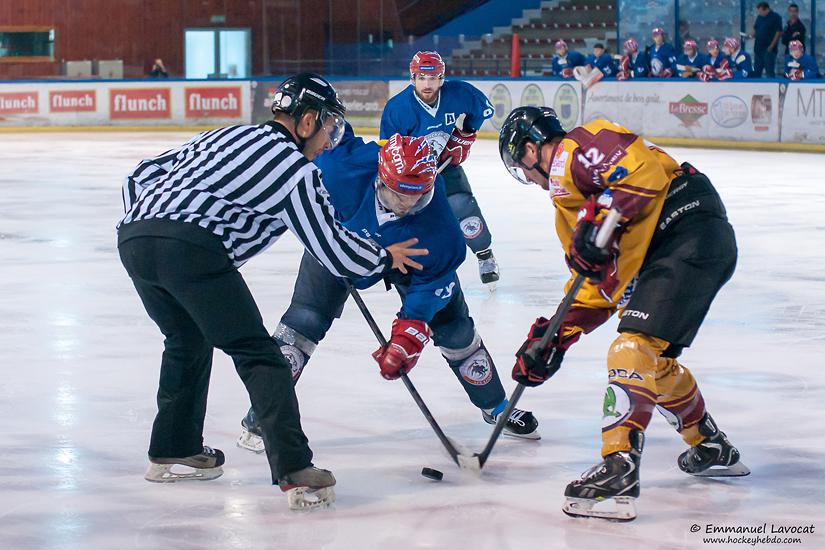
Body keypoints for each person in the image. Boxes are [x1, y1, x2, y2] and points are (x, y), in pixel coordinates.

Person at [117, 73, 426, 510]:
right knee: (260, 355)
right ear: (306, 122)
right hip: (191, 248)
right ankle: (296, 469)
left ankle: (174, 446)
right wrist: (381, 257)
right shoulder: (295, 171)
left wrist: (150, 221)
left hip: (134, 238)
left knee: (186, 340)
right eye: (328, 128)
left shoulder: (225, 134)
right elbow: (334, 249)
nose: (327, 141)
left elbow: (142, 173)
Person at [498, 107, 749, 521]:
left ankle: (619, 469)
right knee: (653, 363)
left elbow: (643, 172)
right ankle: (708, 445)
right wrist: (554, 338)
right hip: (681, 243)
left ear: (530, 150)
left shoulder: (575, 151)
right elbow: (599, 285)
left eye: (522, 167)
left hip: (686, 226)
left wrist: (604, 221)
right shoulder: (568, 209)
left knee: (630, 348)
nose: (526, 178)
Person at [236, 127, 540, 453]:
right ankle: (264, 411)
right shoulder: (342, 168)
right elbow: (322, 140)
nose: (408, 205)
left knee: (454, 329)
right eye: (400, 195)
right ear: (380, 179)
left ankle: (494, 405)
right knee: (303, 322)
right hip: (341, 246)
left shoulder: (441, 230)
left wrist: (408, 335)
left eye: (419, 195)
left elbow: (432, 284)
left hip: (409, 260)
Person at [381, 51, 501, 289]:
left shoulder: (458, 93)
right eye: (422, 78)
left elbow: (483, 109)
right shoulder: (397, 108)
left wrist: (465, 135)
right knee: (415, 220)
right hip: (412, 176)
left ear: (442, 78)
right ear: (413, 78)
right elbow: (388, 149)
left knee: (463, 205)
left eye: (434, 78)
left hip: (445, 166)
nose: (428, 84)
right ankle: (421, 270)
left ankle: (484, 254)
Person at [753, 1, 782, 78]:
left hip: (768, 50)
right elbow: (756, 30)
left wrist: (771, 46)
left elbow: (778, 32)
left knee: (769, 72)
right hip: (758, 49)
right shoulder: (759, 17)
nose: (759, 13)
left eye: (761, 11)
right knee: (756, 71)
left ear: (766, 9)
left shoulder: (776, 17)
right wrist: (750, 36)